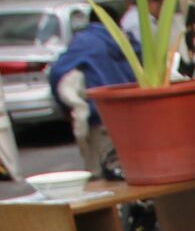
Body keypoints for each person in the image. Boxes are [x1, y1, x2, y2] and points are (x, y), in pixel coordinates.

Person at [48, 15, 136, 177]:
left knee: (100, 177)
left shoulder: (85, 41)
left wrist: (67, 109)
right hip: (131, 118)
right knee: (132, 174)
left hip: (101, 119)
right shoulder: (126, 40)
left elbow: (57, 72)